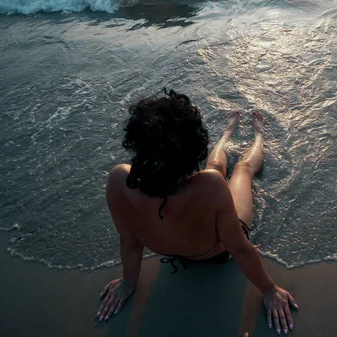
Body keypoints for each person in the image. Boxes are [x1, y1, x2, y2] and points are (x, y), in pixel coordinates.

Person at [97, 89, 298, 335]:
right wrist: (269, 290)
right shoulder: (209, 186)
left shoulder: (119, 179)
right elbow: (239, 247)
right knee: (242, 170)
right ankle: (257, 133)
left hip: (177, 250)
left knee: (214, 168)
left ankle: (227, 135)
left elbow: (130, 243)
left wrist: (129, 282)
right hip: (216, 253)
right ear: (194, 147)